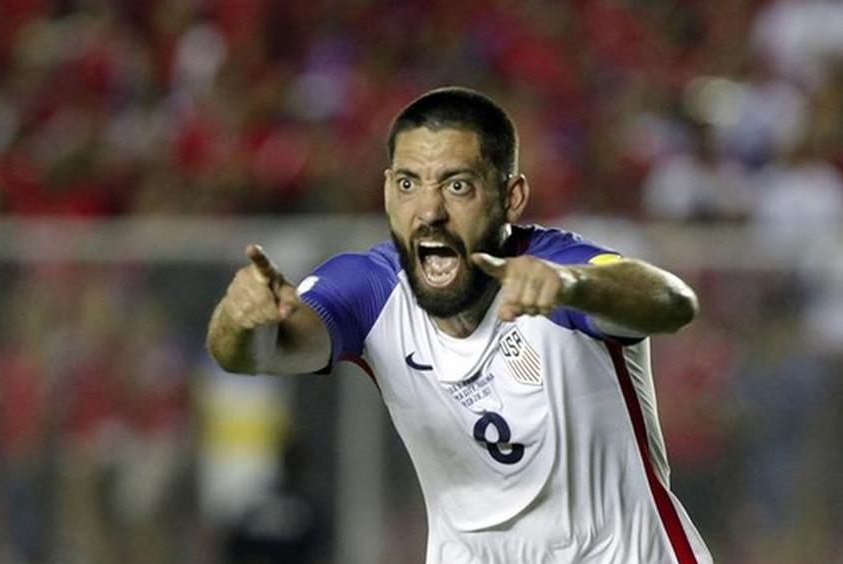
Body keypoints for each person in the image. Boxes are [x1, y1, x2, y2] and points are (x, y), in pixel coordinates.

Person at [207, 87, 713, 563]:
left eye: (457, 185)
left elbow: (671, 302)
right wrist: (241, 316)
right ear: (387, 190)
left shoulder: (557, 268)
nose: (429, 211)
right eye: (408, 183)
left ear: (510, 196)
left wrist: (573, 286)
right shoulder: (370, 289)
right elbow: (250, 353)